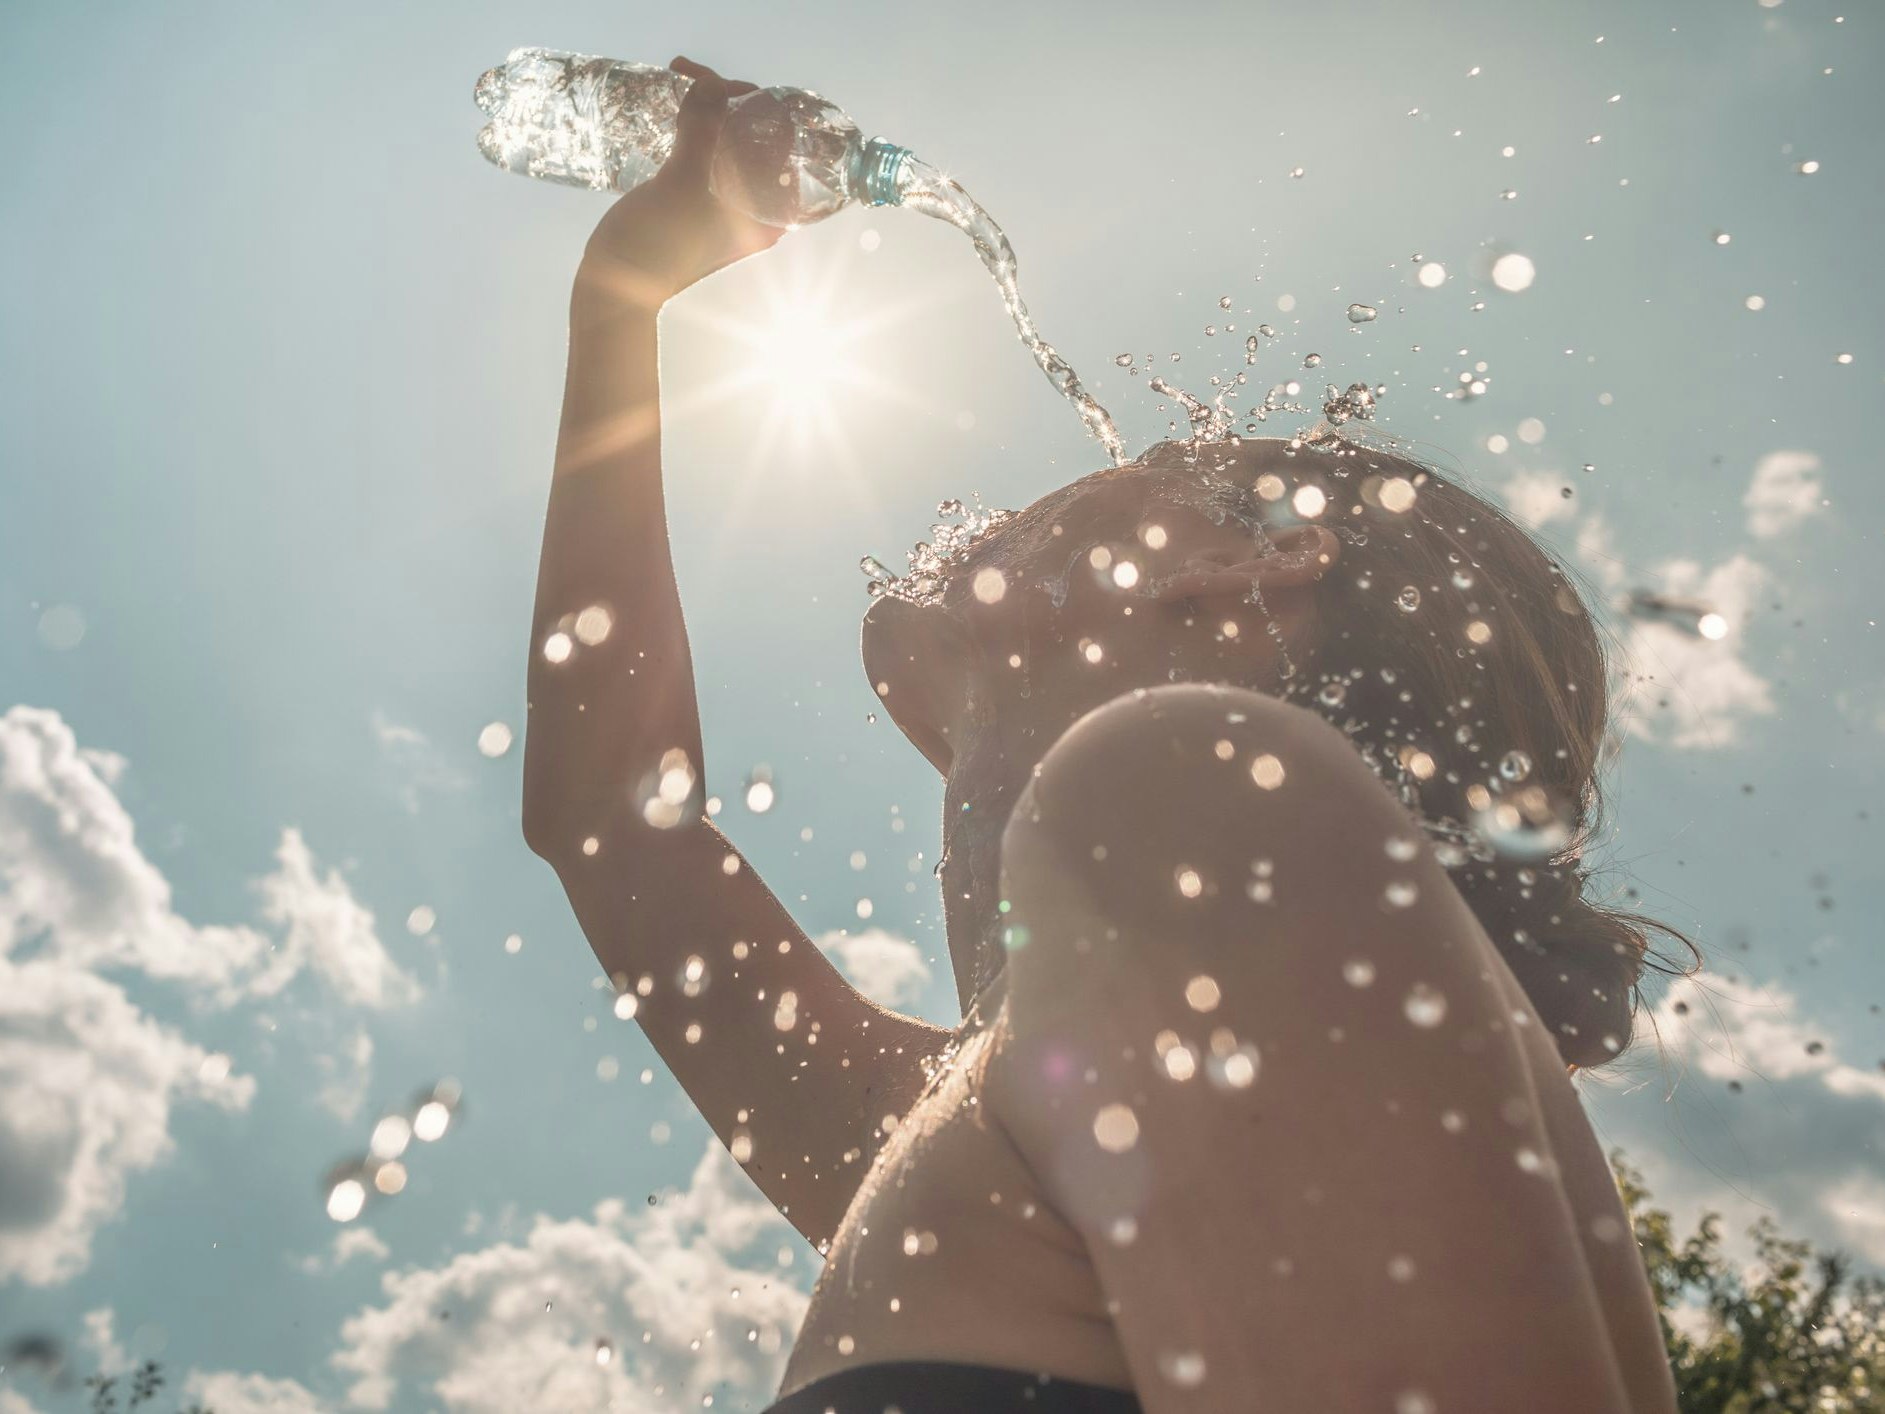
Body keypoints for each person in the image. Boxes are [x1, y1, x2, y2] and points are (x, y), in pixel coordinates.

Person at [521, 56, 1690, 1414]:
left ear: (1247, 566)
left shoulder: (1185, 793)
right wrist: (621, 304)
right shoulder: (965, 1120)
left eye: (1160, 464)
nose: (1064, 480)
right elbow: (606, 814)